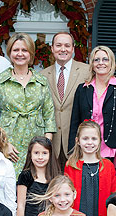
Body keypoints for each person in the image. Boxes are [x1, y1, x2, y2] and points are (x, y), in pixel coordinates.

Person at [0, 32, 56, 174]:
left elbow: (49, 115)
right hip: (9, 142)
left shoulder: (41, 82)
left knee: (34, 184)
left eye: (24, 50)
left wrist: (45, 146)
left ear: (30, 53)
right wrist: (3, 144)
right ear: (10, 53)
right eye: (16, 50)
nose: (20, 54)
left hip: (36, 144)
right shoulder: (1, 80)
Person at [68, 46, 116, 159]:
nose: (100, 63)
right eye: (96, 60)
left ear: (111, 63)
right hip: (85, 150)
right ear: (92, 64)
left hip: (112, 151)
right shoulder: (82, 89)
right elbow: (75, 122)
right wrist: (72, 150)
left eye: (105, 59)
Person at [40, 32, 90, 167]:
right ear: (52, 48)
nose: (63, 49)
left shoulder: (87, 71)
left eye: (67, 45)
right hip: (52, 140)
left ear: (73, 49)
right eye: (58, 45)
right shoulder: (42, 75)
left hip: (77, 140)